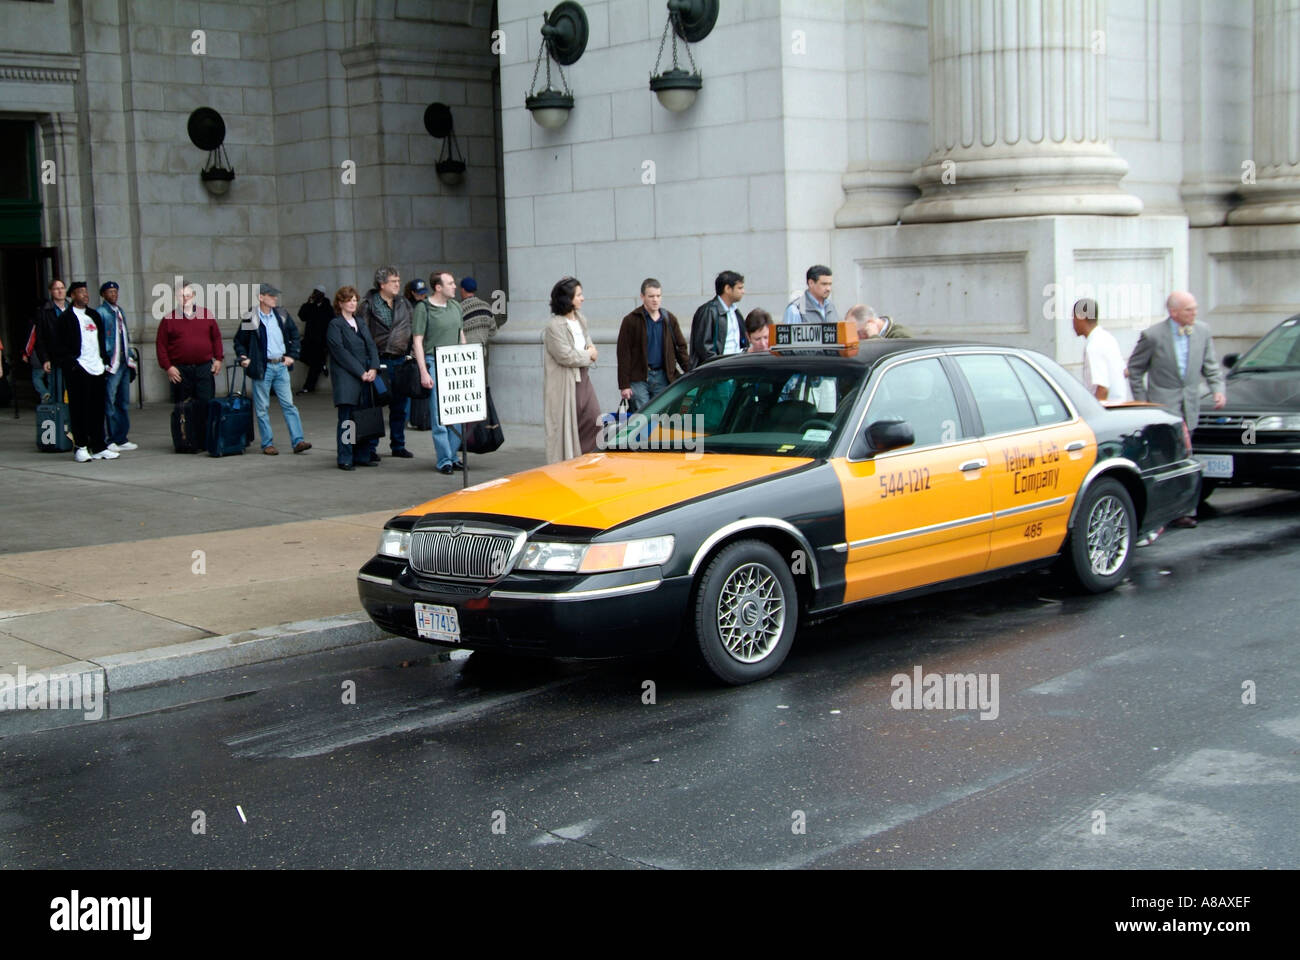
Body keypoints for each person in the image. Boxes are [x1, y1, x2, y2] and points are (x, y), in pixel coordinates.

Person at [1128, 290, 1225, 530]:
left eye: (1195, 308)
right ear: (1174, 313)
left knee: (1185, 456)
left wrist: (1217, 388)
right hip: (1162, 407)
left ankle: (1184, 510)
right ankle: (1160, 513)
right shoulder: (1152, 336)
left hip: (1189, 405)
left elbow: (1211, 365)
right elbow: (1135, 369)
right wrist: (1143, 402)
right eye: (1189, 309)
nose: (1195, 313)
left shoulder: (1202, 331)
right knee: (1164, 459)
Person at [233, 283, 312, 456]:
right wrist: (243, 357)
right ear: (261, 297)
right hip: (263, 366)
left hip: (281, 365)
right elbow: (240, 341)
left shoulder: (281, 315)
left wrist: (292, 355)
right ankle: (267, 444)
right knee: (262, 407)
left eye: (275, 295)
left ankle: (298, 441)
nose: (275, 298)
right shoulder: (251, 317)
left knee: (289, 405)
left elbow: (294, 335)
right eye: (271, 295)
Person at [49, 282, 117, 461]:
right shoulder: (66, 318)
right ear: (72, 295)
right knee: (79, 410)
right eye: (80, 292)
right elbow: (58, 346)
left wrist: (104, 360)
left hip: (96, 368)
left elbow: (101, 340)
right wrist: (71, 364)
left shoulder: (93, 315)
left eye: (86, 292)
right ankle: (81, 446)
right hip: (79, 368)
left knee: (97, 409)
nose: (85, 295)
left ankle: (99, 445)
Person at [412, 270, 467, 474]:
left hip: (455, 362)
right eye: (450, 283)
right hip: (434, 360)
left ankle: (453, 454)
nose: (454, 286)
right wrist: (423, 371)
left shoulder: (455, 306)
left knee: (458, 412)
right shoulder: (423, 308)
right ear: (438, 287)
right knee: (438, 414)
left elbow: (461, 335)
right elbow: (417, 340)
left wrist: (467, 361)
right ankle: (444, 459)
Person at [359, 266, 414, 460]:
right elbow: (362, 333)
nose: (398, 284)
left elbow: (411, 326)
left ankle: (398, 444)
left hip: (400, 360)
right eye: (394, 281)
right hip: (379, 360)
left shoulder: (404, 303)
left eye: (399, 281)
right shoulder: (368, 304)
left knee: (400, 406)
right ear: (382, 284)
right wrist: (368, 362)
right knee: (375, 405)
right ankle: (371, 447)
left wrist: (410, 353)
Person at [543, 277, 600, 463]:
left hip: (583, 378)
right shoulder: (554, 326)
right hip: (565, 382)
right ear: (568, 298)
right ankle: (571, 464)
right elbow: (566, 356)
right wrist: (588, 355)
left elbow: (589, 344)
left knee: (594, 419)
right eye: (579, 295)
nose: (582, 298)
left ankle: (586, 460)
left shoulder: (581, 320)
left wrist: (589, 352)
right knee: (569, 426)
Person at [325, 286, 381, 470]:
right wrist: (361, 371)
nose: (352, 303)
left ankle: (363, 455)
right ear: (340, 303)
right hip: (347, 377)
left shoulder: (360, 321)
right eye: (348, 300)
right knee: (347, 420)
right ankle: (345, 456)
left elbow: (371, 345)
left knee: (363, 416)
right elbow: (340, 352)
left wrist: (373, 367)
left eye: (355, 300)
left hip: (365, 375)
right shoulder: (335, 324)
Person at [617, 278, 690, 409]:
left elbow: (680, 347)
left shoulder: (668, 318)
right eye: (651, 296)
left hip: (663, 375)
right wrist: (624, 385)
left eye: (658, 296)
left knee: (662, 414)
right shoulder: (631, 320)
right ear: (642, 297)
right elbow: (623, 353)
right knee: (642, 416)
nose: (655, 300)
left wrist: (689, 371)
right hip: (639, 378)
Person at [157, 282, 223, 413]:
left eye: (188, 295)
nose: (185, 299)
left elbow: (216, 338)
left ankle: (204, 434)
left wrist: (219, 359)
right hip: (180, 372)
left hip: (204, 368)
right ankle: (185, 434)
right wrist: (168, 367)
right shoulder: (168, 319)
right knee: (183, 410)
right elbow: (161, 345)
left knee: (206, 407)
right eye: (182, 296)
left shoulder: (205, 314)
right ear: (176, 297)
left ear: (193, 296)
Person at [96, 281, 138, 452]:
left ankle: (121, 437)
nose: (114, 294)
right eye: (110, 292)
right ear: (103, 294)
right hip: (111, 363)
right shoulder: (101, 312)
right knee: (109, 401)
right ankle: (109, 437)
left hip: (123, 362)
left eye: (115, 291)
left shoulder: (119, 311)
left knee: (123, 401)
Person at [1071, 298, 1131, 403]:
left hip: (1108, 410)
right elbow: (1124, 372)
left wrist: (1095, 414)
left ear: (1081, 317)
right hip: (1120, 406)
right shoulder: (1107, 338)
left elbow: (1102, 389)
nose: (1072, 322)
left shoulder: (1094, 346)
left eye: (1073, 317)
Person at [690, 270, 748, 367]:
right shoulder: (709, 311)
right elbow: (704, 348)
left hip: (735, 367)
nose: (743, 291)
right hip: (718, 371)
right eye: (740, 288)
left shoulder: (735, 312)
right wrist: (719, 366)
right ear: (728, 289)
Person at [29, 279, 66, 402]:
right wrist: (45, 359)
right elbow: (39, 338)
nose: (60, 291)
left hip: (72, 358)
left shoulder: (72, 308)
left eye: (62, 288)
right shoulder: (44, 311)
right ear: (51, 292)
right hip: (54, 357)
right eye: (56, 289)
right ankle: (58, 419)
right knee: (55, 390)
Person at [459, 276, 505, 366]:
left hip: (463, 355)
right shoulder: (486, 306)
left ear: (463, 290)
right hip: (481, 353)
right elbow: (493, 331)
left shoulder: (459, 308)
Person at [296, 285, 333, 394]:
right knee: (300, 355)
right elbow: (302, 316)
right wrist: (308, 303)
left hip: (321, 342)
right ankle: (322, 364)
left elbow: (331, 323)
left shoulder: (327, 307)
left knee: (314, 366)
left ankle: (308, 387)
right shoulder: (311, 306)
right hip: (309, 340)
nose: (315, 295)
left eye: (317, 293)